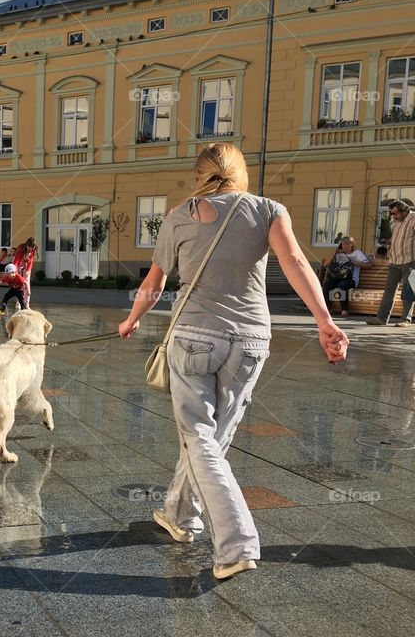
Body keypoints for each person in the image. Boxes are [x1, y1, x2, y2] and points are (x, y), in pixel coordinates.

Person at [118, 142, 348, 581]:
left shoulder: (179, 215)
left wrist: (132, 320)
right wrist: (324, 322)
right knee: (213, 440)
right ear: (240, 172)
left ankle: (237, 543)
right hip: (250, 341)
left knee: (199, 437)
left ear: (198, 174)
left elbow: (155, 279)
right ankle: (179, 514)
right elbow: (295, 261)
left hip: (193, 338)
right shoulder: (268, 209)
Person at [367, 200, 415, 326]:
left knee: (408, 291)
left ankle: (405, 319)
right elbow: (398, 238)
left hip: (410, 261)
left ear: (404, 211)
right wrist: (389, 241)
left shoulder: (413, 218)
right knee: (389, 291)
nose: (392, 216)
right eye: (391, 214)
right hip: (394, 261)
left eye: (395, 213)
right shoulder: (396, 221)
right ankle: (381, 319)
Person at [321, 236, 370, 317]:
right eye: (343, 244)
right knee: (327, 285)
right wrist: (335, 251)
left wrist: (354, 262)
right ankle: (328, 309)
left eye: (347, 244)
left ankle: (344, 310)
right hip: (337, 277)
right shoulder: (338, 253)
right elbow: (325, 264)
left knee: (341, 285)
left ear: (352, 244)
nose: (345, 246)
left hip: (352, 279)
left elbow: (368, 265)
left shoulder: (357, 253)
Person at [12, 237, 38, 307]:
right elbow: (16, 262)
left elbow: (30, 262)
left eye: (32, 247)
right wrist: (15, 272)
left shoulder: (33, 250)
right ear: (26, 245)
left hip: (26, 265)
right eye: (29, 247)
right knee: (20, 285)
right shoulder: (20, 249)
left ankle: (26, 304)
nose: (30, 249)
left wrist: (27, 271)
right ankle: (18, 302)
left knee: (27, 285)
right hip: (17, 264)